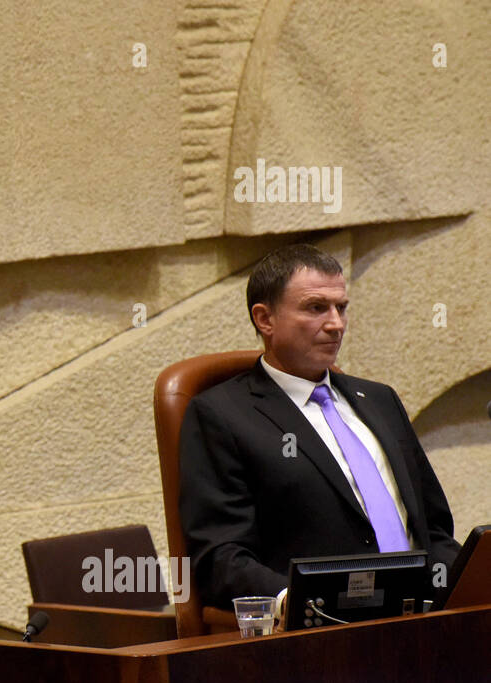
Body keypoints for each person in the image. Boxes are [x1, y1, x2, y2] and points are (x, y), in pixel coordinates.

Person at [179, 244, 461, 619]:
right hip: (323, 628)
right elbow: (221, 558)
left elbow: (433, 528)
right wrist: (297, 603)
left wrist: (462, 586)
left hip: (427, 617)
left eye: (341, 307)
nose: (336, 324)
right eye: (316, 308)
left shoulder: (379, 399)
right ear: (265, 319)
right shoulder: (222, 415)